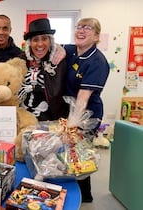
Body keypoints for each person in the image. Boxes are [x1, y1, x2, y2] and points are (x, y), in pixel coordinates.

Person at [64, 17, 110, 203]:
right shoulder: (72, 50)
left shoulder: (97, 61)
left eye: (88, 28)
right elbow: (55, 47)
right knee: (69, 154)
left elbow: (83, 99)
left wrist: (71, 127)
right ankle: (75, 191)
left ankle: (84, 198)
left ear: (97, 36)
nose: (81, 31)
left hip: (86, 114)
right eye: (79, 27)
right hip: (69, 109)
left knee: (79, 155)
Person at [18, 18, 69, 121]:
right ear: (30, 43)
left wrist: (34, 87)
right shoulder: (21, 60)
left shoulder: (58, 61)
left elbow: (58, 92)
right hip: (22, 116)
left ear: (50, 41)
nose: (40, 44)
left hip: (49, 119)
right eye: (35, 39)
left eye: (44, 39)